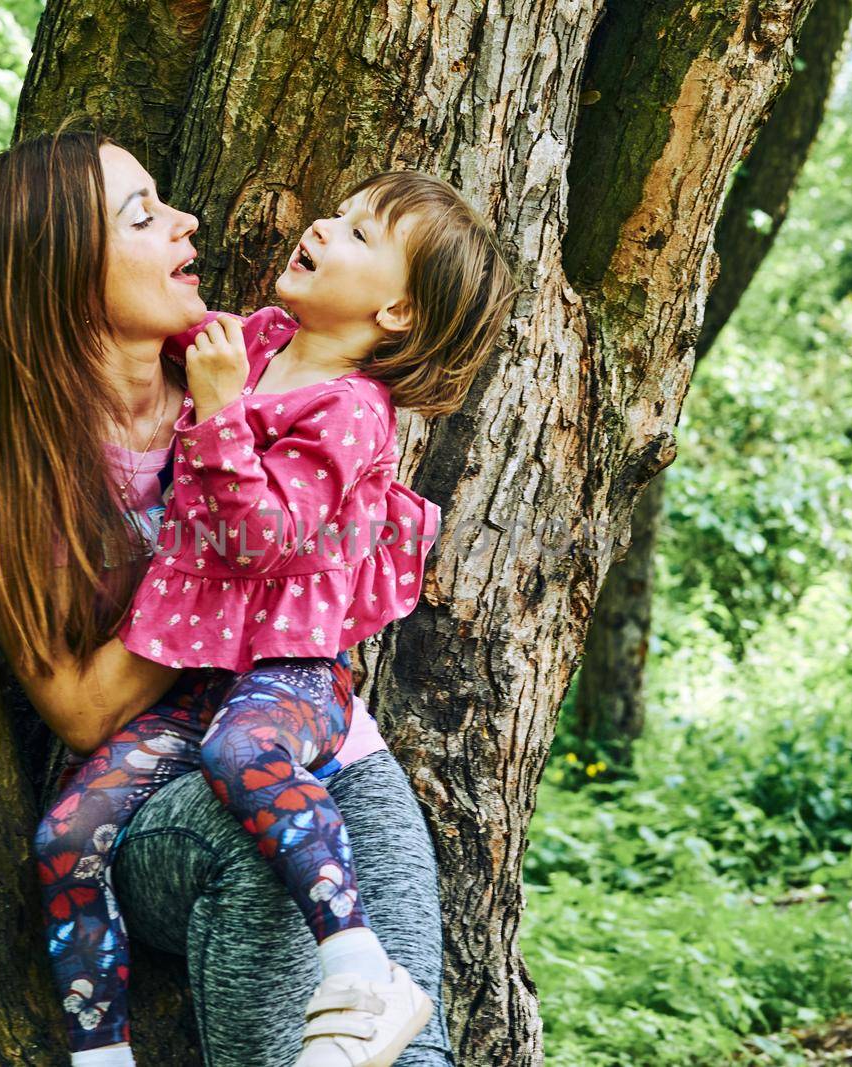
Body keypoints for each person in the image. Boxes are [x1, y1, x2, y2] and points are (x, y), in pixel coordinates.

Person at [0, 126, 459, 1066]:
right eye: (143, 215)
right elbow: (84, 706)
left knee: (403, 1047)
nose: (187, 223)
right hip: (173, 791)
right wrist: (220, 590)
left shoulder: (242, 380)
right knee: (244, 846)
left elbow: (321, 512)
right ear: (60, 270)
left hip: (332, 754)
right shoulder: (16, 471)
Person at [90, 171, 514, 1067]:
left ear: (397, 310)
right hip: (220, 725)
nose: (325, 225)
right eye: (342, 214)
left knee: (401, 1042)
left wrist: (216, 406)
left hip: (299, 712)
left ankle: (361, 967)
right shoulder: (271, 338)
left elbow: (257, 534)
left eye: (360, 234)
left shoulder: (355, 409)